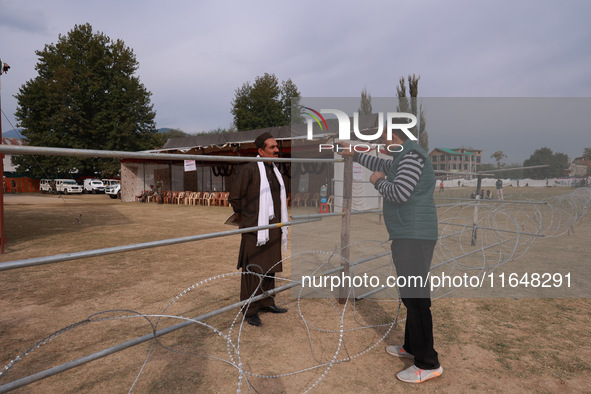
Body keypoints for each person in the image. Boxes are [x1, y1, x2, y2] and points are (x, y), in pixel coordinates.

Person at [338, 130, 442, 383]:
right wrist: (353, 153)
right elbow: (380, 163)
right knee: (410, 295)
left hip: (414, 235)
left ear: (396, 136)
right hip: (408, 233)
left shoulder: (410, 157)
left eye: (385, 136)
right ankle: (412, 346)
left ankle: (427, 362)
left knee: (417, 299)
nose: (382, 141)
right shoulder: (402, 157)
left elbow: (399, 193)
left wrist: (377, 182)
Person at [229, 132, 289, 327]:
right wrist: (248, 218)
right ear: (261, 151)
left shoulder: (275, 170)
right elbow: (235, 198)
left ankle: (266, 302)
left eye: (276, 147)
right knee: (253, 270)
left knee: (270, 267)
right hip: (255, 229)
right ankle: (250, 309)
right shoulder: (250, 169)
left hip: (273, 227)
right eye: (272, 147)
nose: (276, 150)